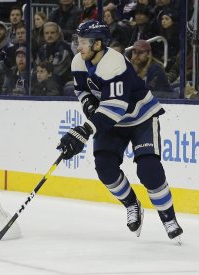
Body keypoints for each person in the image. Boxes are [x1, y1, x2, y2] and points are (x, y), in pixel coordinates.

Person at [57, 20, 183, 242]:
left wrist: (85, 130)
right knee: (105, 167)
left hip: (140, 117)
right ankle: (132, 204)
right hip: (111, 121)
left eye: (84, 42)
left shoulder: (114, 64)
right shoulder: (79, 61)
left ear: (98, 44)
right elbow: (80, 89)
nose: (79, 46)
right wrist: (87, 103)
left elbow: (115, 108)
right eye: (78, 41)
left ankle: (168, 218)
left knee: (149, 169)